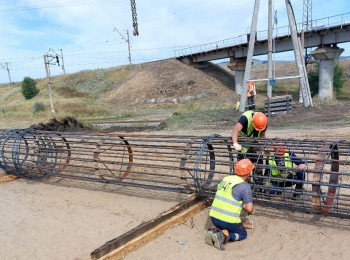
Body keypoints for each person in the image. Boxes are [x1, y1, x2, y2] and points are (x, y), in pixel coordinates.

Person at [206, 159, 255, 251]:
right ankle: (224, 236)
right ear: (248, 172)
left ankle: (214, 231)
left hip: (214, 217)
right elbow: (250, 209)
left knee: (222, 225)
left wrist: (241, 205)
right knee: (243, 234)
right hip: (228, 221)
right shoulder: (245, 186)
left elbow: (228, 198)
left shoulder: (226, 179)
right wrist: (248, 208)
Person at [231, 111, 268, 186]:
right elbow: (236, 129)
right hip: (243, 142)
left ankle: (258, 186)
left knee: (258, 164)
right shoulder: (245, 118)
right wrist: (235, 143)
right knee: (243, 166)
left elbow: (262, 135)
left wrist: (265, 147)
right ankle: (243, 185)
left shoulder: (263, 122)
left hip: (255, 142)